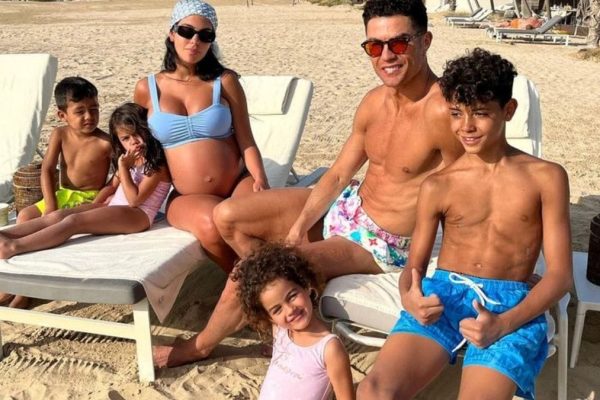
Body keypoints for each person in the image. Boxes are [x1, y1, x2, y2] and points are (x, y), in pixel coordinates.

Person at [153, 0, 463, 368]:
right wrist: (298, 229)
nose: (386, 56)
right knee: (228, 216)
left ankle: (199, 346)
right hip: (349, 207)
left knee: (255, 270)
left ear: (425, 41)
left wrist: (431, 273)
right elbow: (338, 174)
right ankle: (279, 310)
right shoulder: (375, 101)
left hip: (381, 242)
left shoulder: (445, 112)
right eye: (374, 46)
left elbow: (466, 195)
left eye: (399, 43)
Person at [356, 48, 573, 400]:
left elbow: (560, 276)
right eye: (456, 113)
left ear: (508, 110)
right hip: (445, 294)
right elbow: (414, 266)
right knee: (374, 391)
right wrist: (409, 297)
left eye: (481, 113)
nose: (466, 127)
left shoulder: (546, 178)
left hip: (510, 306)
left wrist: (503, 323)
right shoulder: (439, 184)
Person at [133, 0, 269, 271]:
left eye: (205, 35)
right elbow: (139, 149)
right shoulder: (147, 89)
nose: (195, 41)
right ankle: (250, 282)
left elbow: (246, 139)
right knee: (211, 226)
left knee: (250, 222)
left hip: (238, 182)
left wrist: (260, 179)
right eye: (186, 31)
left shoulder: (225, 81)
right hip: (187, 195)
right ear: (172, 33)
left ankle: (261, 281)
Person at [0, 103, 171, 259]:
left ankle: (13, 246)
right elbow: (111, 187)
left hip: (138, 215)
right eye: (126, 138)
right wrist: (94, 205)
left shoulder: (156, 165)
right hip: (114, 207)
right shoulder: (130, 159)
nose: (134, 142)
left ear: (147, 130)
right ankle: (6, 235)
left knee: (74, 222)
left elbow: (134, 200)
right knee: (59, 215)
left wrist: (124, 168)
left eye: (138, 133)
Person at [0, 76, 112, 308]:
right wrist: (50, 204)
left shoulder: (105, 142)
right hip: (62, 194)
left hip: (89, 198)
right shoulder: (59, 134)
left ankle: (23, 292)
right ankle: (18, 280)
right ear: (62, 115)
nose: (89, 116)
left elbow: (116, 179)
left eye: (94, 109)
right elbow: (48, 169)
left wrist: (99, 201)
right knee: (25, 216)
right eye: (80, 111)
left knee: (51, 228)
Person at [233, 243, 354, 400]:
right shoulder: (280, 330)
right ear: (270, 318)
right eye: (277, 310)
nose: (290, 310)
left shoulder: (329, 348)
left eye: (292, 296)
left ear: (306, 285)